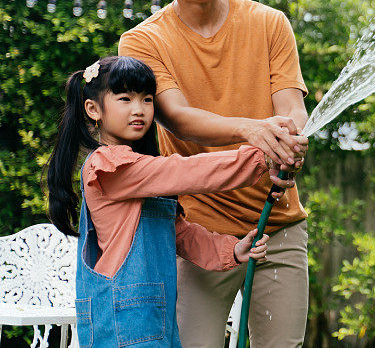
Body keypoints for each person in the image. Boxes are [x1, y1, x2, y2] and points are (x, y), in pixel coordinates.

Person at [118, 0, 310, 348]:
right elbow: (179, 118)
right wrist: (253, 130)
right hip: (197, 231)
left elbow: (291, 105)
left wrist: (289, 139)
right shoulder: (143, 42)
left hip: (277, 223)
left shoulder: (269, 23)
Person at [47, 55, 281, 347]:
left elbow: (180, 233)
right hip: (124, 322)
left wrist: (231, 249)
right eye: (125, 99)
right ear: (93, 109)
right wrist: (260, 155)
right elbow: (182, 171)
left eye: (147, 99)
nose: (139, 109)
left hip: (155, 317)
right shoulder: (107, 166)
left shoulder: (142, 169)